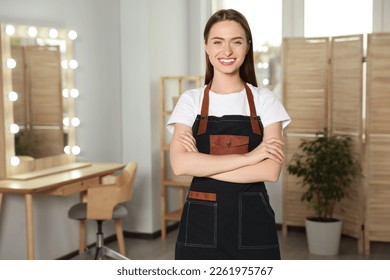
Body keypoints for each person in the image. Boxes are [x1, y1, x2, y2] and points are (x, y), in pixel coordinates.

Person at [166, 9, 291, 260]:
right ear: (206, 47)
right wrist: (249, 158)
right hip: (199, 228)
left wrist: (202, 163)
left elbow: (270, 171)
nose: (227, 51)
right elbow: (180, 165)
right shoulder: (191, 101)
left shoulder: (264, 100)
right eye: (218, 42)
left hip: (254, 227)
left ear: (247, 47)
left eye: (236, 41)